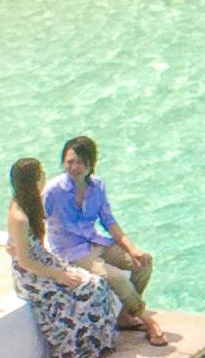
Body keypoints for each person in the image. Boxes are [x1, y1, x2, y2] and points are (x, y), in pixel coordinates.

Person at [42, 135, 167, 345]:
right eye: (69, 161)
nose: (74, 167)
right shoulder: (53, 191)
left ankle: (125, 314)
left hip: (94, 242)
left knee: (143, 264)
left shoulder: (97, 186)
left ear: (91, 163)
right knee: (117, 277)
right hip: (71, 251)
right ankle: (147, 321)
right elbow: (36, 219)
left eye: (80, 162)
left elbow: (109, 221)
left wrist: (133, 249)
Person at [6, 155, 121, 358]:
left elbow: (37, 245)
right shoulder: (19, 216)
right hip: (32, 274)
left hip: (43, 262)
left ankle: (96, 343)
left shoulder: (32, 204)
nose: (44, 177)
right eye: (40, 174)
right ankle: (71, 351)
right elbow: (24, 261)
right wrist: (59, 275)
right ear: (33, 181)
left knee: (96, 285)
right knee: (81, 292)